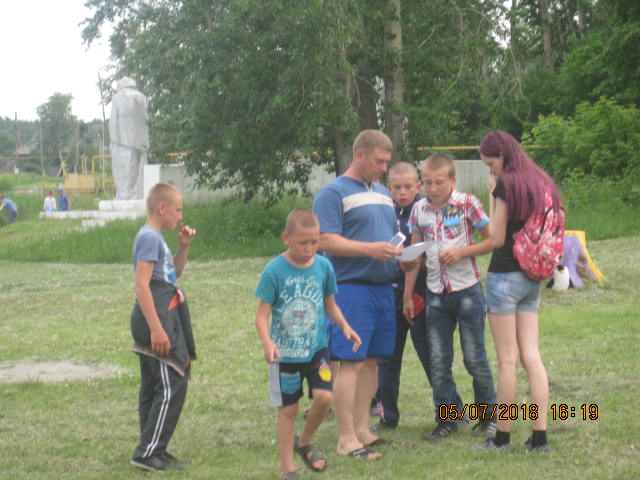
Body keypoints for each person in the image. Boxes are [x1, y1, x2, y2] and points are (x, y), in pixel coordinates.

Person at [313, 129, 413, 460]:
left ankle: (363, 430)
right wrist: (370, 250)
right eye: (379, 161)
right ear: (359, 155)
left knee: (371, 363)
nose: (384, 168)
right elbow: (324, 240)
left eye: (387, 162)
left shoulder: (383, 193)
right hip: (350, 289)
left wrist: (402, 257)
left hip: (383, 288)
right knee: (352, 363)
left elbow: (388, 238)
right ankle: (345, 438)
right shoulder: (332, 193)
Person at [254, 208, 362, 480]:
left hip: (317, 349)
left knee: (324, 398)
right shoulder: (274, 270)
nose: (310, 248)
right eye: (303, 242)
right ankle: (288, 470)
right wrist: (267, 343)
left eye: (315, 242)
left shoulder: (323, 267)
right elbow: (261, 315)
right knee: (289, 410)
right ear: (286, 238)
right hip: (286, 355)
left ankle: (305, 442)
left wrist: (345, 326)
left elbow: (330, 305)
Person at [474, 130, 559, 453]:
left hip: (504, 276)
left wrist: (492, 194)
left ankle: (501, 438)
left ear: (502, 155)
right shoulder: (542, 181)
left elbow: (496, 238)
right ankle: (540, 437)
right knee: (532, 357)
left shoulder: (506, 184)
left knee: (507, 360)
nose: (491, 170)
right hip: (532, 275)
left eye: (490, 163)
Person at [404, 153, 497, 441]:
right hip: (435, 294)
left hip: (467, 290)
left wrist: (462, 252)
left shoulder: (468, 203)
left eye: (439, 182)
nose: (433, 188)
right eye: (428, 183)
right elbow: (414, 256)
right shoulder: (418, 210)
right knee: (438, 361)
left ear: (452, 180)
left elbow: (492, 240)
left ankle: (489, 418)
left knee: (474, 358)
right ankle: (448, 419)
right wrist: (407, 292)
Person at [129, 182, 197, 472]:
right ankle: (147, 452)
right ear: (161, 207)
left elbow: (172, 275)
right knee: (173, 382)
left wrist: (183, 247)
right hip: (155, 320)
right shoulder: (149, 238)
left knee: (155, 385)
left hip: (159, 316)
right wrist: (157, 329)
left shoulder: (157, 239)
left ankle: (154, 447)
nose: (180, 216)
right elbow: (141, 285)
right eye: (177, 210)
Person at [374, 161, 432, 431]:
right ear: (389, 188)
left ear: (418, 187)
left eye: (408, 187)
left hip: (419, 292)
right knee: (387, 357)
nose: (402, 192)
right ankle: (387, 417)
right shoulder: (385, 213)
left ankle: (451, 412)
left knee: (429, 354)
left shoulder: (424, 212)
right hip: (390, 293)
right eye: (397, 187)